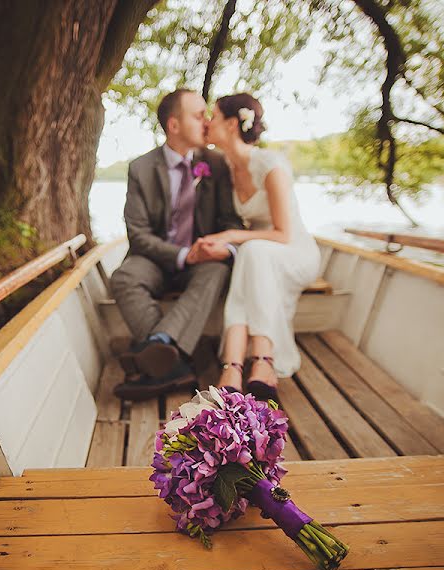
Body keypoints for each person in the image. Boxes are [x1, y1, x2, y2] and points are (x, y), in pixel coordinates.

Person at [110, 89, 242, 400]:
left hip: (203, 262)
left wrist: (222, 248)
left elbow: (232, 223)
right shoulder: (141, 168)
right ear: (174, 125)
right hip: (156, 258)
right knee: (124, 277)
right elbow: (138, 234)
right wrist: (183, 254)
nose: (207, 122)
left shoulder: (217, 164)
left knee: (217, 271)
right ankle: (174, 361)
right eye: (199, 115)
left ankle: (157, 350)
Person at [195, 93, 320, 400]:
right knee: (251, 255)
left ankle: (243, 362)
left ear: (233, 124)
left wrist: (231, 237)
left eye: (213, 115)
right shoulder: (224, 165)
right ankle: (245, 365)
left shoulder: (271, 164)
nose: (207, 122)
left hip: (295, 251)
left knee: (252, 252)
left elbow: (282, 234)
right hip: (259, 253)